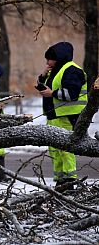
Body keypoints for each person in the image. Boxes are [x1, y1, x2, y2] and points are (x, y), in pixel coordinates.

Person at [37, 41, 87, 192]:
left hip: (67, 116)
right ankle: (60, 181)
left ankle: (70, 181)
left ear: (58, 57)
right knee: (55, 150)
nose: (47, 62)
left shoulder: (72, 70)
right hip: (54, 116)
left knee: (66, 149)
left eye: (50, 59)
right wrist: (43, 75)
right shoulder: (56, 70)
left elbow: (71, 94)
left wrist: (51, 93)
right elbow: (44, 87)